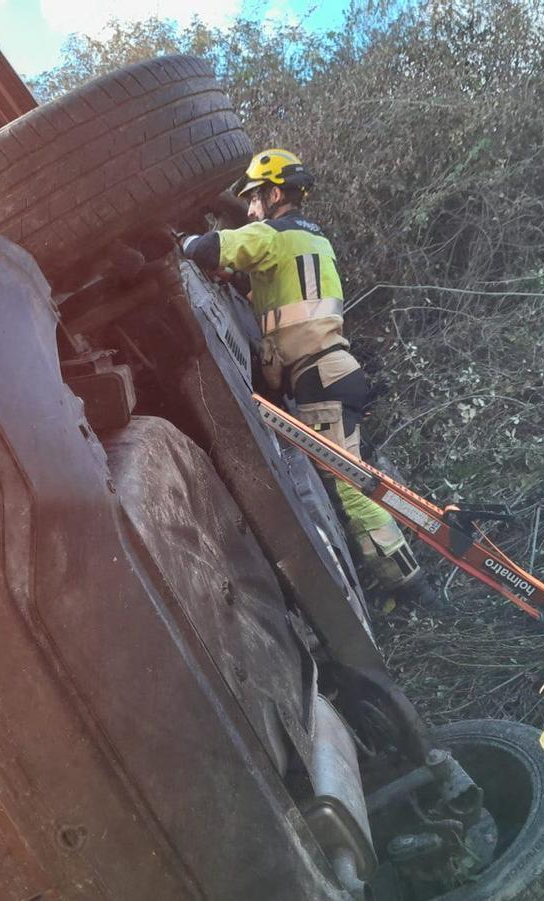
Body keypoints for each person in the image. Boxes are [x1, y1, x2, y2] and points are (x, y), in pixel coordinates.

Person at [182, 149, 426, 603]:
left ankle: (407, 584)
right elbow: (281, 294)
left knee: (353, 489)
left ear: (275, 193)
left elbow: (206, 248)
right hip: (336, 371)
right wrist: (239, 282)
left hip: (319, 377)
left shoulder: (271, 236)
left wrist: (181, 243)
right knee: (359, 476)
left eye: (254, 199)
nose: (250, 210)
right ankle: (398, 564)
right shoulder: (313, 240)